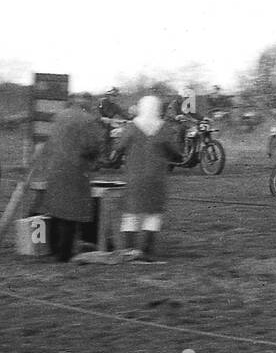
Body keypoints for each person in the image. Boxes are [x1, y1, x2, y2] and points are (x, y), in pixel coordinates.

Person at [116, 96, 183, 263]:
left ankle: (129, 250)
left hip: (134, 178)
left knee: (131, 214)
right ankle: (145, 250)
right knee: (152, 214)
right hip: (156, 178)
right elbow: (176, 153)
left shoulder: (132, 127)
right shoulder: (164, 128)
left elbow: (118, 148)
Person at [42, 98, 105, 263]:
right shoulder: (87, 120)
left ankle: (52, 248)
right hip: (76, 169)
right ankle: (65, 253)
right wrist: (94, 160)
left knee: (56, 211)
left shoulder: (59, 117)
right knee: (71, 212)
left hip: (55, 167)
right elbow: (92, 146)